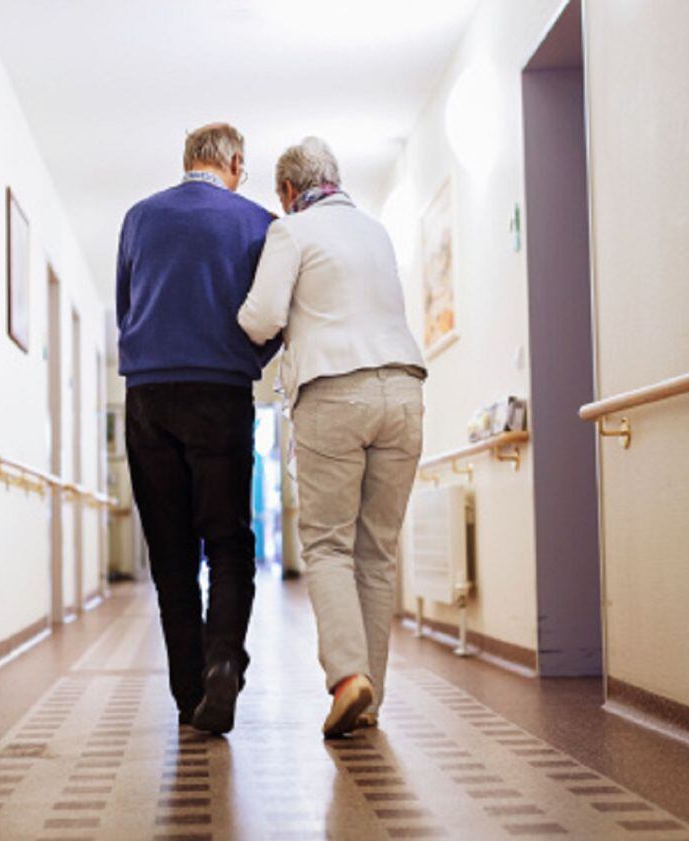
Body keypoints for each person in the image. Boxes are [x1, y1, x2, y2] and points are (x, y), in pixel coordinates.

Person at [238, 137, 426, 737]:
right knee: (377, 551)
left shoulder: (292, 232)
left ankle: (349, 678)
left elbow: (261, 318)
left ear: (289, 193)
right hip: (404, 392)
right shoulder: (376, 231)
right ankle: (369, 699)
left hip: (334, 392)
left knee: (325, 546)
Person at [117, 122, 279, 734]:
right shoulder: (258, 222)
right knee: (230, 542)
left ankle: (189, 696)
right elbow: (273, 315)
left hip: (149, 394)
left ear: (188, 161)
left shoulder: (138, 216)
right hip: (221, 391)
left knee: (171, 555)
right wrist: (247, 362)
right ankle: (222, 665)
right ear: (234, 163)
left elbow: (126, 304)